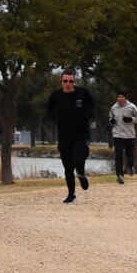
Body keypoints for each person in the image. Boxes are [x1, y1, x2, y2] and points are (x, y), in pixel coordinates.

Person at [46, 69, 95, 204]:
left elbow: (92, 107)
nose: (68, 83)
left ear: (74, 81)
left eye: (71, 81)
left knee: (78, 158)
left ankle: (81, 173)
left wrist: (87, 115)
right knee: (67, 167)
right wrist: (57, 112)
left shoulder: (83, 94)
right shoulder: (55, 96)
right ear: (61, 81)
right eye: (65, 81)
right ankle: (71, 194)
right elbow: (49, 115)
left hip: (80, 134)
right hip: (64, 136)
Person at [108, 91, 137, 184]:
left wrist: (131, 119)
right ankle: (119, 175)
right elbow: (110, 117)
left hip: (129, 135)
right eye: (118, 96)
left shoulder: (132, 106)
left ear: (125, 98)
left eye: (122, 96)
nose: (120, 98)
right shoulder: (114, 107)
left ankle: (131, 166)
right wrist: (112, 121)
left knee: (129, 154)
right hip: (117, 134)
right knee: (118, 155)